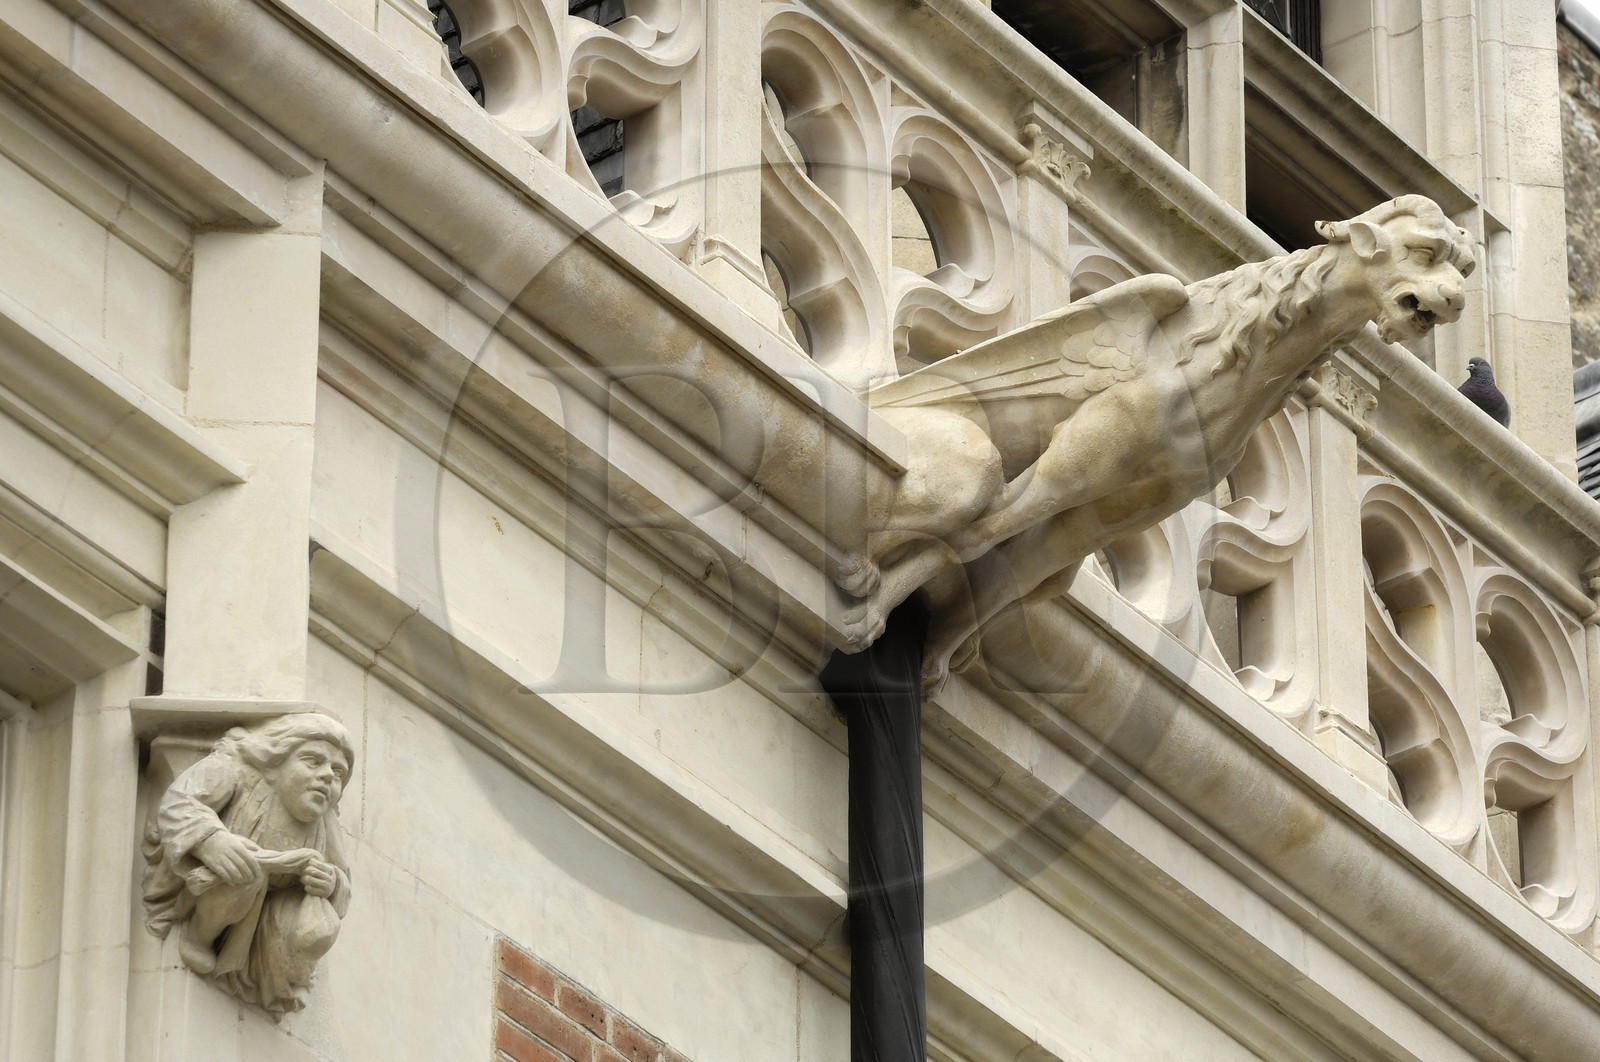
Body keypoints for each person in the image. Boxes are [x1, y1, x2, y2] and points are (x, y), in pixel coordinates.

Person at [143, 714, 355, 1015]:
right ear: (276, 758)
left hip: (272, 911)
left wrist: (331, 883)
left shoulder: (325, 821)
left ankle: (278, 974)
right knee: (245, 873)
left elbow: (343, 881)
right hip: (226, 882)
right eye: (312, 761)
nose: (327, 777)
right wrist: (211, 840)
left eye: (338, 772)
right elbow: (179, 802)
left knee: (314, 926)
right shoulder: (234, 769)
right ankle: (200, 934)